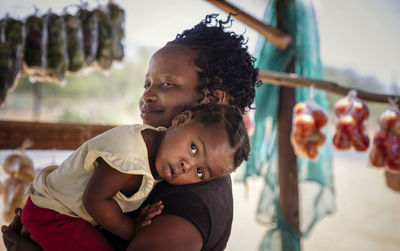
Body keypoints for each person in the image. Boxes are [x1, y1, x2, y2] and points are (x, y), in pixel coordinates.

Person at [2, 13, 260, 251]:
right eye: (147, 83)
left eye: (167, 84)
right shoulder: (153, 158)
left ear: (213, 100)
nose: (147, 96)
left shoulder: (189, 202)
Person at [20, 103, 249, 251]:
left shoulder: (161, 149)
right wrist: (133, 229)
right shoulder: (129, 157)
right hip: (53, 215)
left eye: (200, 172)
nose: (187, 166)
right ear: (180, 120)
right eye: (193, 148)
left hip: (64, 212)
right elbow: (95, 200)